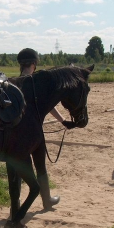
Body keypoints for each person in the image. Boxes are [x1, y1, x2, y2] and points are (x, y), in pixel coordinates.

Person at [14, 48, 76, 210]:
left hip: (16, 133)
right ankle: (46, 199)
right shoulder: (37, 83)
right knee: (40, 166)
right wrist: (63, 121)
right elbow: (48, 106)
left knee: (18, 167)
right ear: (34, 63)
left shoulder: (15, 83)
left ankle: (17, 202)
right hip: (35, 133)